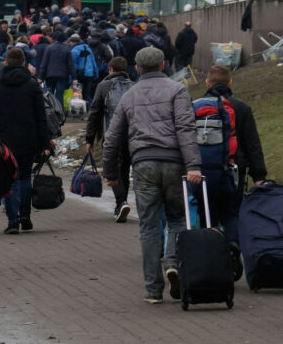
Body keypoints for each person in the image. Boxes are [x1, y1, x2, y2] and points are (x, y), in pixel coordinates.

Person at [101, 46, 202, 305]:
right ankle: (173, 263)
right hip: (174, 163)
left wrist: (111, 173)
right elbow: (186, 128)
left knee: (148, 225)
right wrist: (193, 165)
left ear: (137, 68)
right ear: (163, 65)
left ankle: (153, 290)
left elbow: (112, 139)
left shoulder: (129, 96)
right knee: (178, 219)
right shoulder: (178, 90)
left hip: (143, 164)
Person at [193, 64, 268, 243]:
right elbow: (252, 144)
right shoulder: (241, 107)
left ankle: (211, 250)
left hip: (204, 170)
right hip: (234, 170)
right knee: (232, 213)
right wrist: (259, 176)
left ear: (207, 83)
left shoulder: (196, 106)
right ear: (230, 82)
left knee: (207, 214)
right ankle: (233, 249)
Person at [0, 47, 54, 234]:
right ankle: (25, 215)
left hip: (5, 141)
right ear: (24, 63)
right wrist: (45, 143)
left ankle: (12, 221)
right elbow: (41, 117)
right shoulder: (32, 86)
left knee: (10, 180)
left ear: (5, 62)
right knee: (24, 177)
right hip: (28, 139)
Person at [84, 56, 135, 222]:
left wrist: (89, 139)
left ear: (110, 70)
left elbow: (94, 113)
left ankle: (121, 202)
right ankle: (122, 203)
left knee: (113, 169)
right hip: (132, 135)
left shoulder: (104, 86)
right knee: (125, 169)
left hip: (111, 135)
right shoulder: (134, 86)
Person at [37, 31, 74, 106]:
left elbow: (44, 63)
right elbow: (71, 65)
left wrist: (41, 77)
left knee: (49, 94)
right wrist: (74, 77)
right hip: (63, 75)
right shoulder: (67, 49)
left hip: (50, 75)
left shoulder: (49, 48)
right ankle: (60, 111)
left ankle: (51, 110)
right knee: (60, 95)